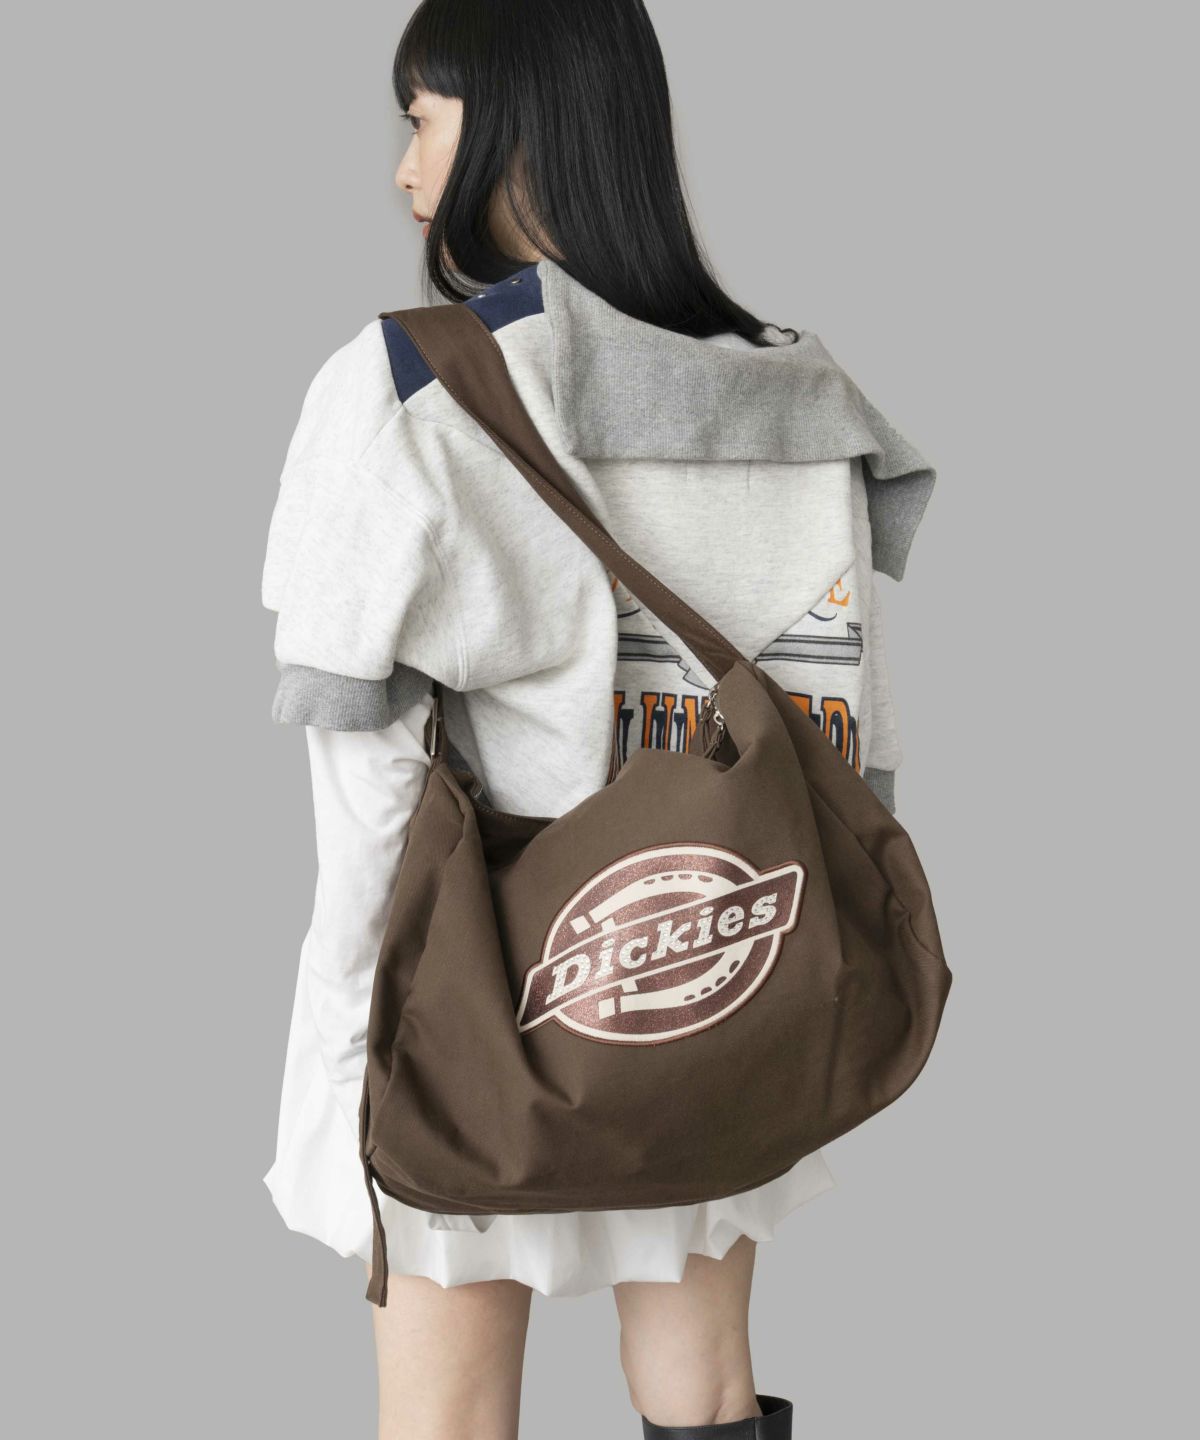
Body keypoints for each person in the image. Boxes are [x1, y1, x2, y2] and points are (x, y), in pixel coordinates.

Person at [259, 3, 935, 1437]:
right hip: (730, 964)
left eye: (420, 120)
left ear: (516, 124)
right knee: (704, 1384)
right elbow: (849, 739)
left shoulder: (408, 386)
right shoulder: (806, 395)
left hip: (487, 1002)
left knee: (447, 1410)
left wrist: (345, 1052)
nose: (402, 169)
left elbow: (367, 787)